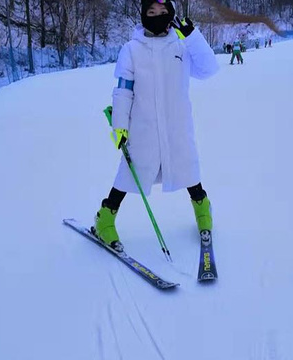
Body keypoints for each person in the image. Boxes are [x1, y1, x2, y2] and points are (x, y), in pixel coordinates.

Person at [93, 0, 219, 251]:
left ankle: (202, 209)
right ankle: (104, 217)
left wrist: (193, 37)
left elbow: (208, 69)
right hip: (143, 128)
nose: (157, 16)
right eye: (151, 12)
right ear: (143, 16)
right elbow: (123, 91)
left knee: (187, 167)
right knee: (130, 173)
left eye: (163, 12)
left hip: (177, 126)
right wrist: (119, 126)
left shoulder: (182, 44)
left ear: (171, 15)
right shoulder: (131, 49)